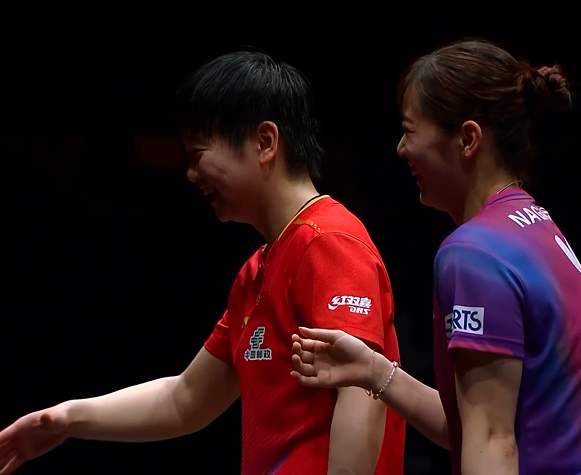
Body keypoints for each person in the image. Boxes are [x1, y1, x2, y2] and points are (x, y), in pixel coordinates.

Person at [0, 51, 405, 475]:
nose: (191, 174)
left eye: (199, 154)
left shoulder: (328, 242)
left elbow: (363, 391)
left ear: (264, 142)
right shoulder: (256, 272)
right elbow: (186, 398)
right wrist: (69, 418)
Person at [290, 38, 581, 475]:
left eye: (410, 131)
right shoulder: (535, 227)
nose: (401, 149)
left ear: (467, 139)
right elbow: (473, 429)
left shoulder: (474, 253)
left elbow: (492, 440)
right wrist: (374, 370)